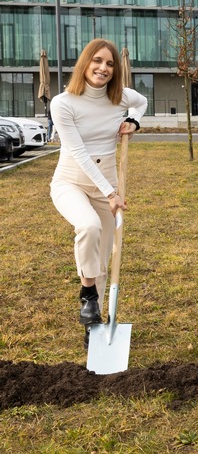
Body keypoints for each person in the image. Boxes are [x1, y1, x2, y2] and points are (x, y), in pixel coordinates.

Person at [50, 38, 147, 348]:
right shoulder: (63, 103)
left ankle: (94, 322)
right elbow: (78, 152)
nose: (103, 68)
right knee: (88, 226)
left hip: (106, 182)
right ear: (85, 63)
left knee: (103, 258)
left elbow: (141, 101)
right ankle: (87, 293)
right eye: (97, 61)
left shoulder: (119, 98)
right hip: (71, 181)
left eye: (109, 64)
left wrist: (133, 120)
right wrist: (110, 192)